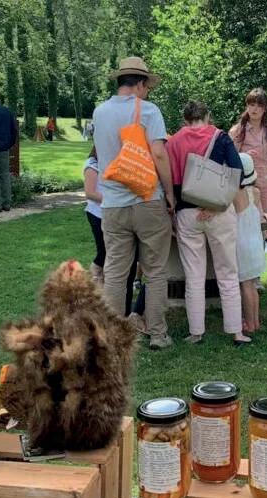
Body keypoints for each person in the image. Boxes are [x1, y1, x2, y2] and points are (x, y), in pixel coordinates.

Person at [92, 56, 175, 350]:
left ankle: (115, 337)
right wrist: (170, 193)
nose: (148, 92)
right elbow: (159, 155)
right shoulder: (149, 111)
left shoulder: (100, 112)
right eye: (147, 87)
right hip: (148, 199)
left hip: (112, 204)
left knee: (115, 272)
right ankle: (158, 334)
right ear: (139, 84)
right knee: (155, 271)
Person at [167, 100, 251, 346]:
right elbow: (238, 174)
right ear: (207, 116)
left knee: (193, 276)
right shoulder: (221, 137)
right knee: (228, 272)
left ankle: (196, 332)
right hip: (218, 211)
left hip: (186, 213)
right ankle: (236, 332)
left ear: (185, 119)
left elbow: (169, 178)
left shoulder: (174, 142)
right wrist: (215, 205)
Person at [83, 147, 139, 315]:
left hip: (116, 214)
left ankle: (107, 290)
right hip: (98, 213)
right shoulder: (92, 164)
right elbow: (90, 193)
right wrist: (115, 199)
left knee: (116, 256)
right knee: (105, 252)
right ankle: (95, 282)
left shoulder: (115, 163)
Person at [230, 88, 267, 213]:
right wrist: (244, 156)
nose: (254, 109)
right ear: (247, 106)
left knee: (266, 220)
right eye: (251, 104)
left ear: (265, 108)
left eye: (259, 105)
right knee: (252, 219)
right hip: (246, 183)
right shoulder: (237, 130)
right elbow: (230, 159)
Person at [234, 153, 267, 334]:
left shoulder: (234, 193)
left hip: (241, 242)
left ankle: (249, 323)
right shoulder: (256, 192)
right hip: (255, 241)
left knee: (245, 286)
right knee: (252, 285)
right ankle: (255, 321)